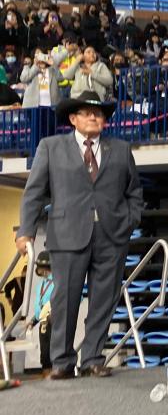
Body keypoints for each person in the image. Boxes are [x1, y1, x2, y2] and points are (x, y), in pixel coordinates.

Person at [16, 91, 143, 379]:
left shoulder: (121, 150)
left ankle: (92, 359)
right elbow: (34, 192)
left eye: (98, 114)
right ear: (73, 119)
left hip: (112, 236)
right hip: (66, 234)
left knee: (103, 300)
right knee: (64, 300)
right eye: (87, 113)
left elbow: (134, 192)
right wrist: (25, 231)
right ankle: (61, 361)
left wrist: (130, 221)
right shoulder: (50, 147)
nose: (94, 117)